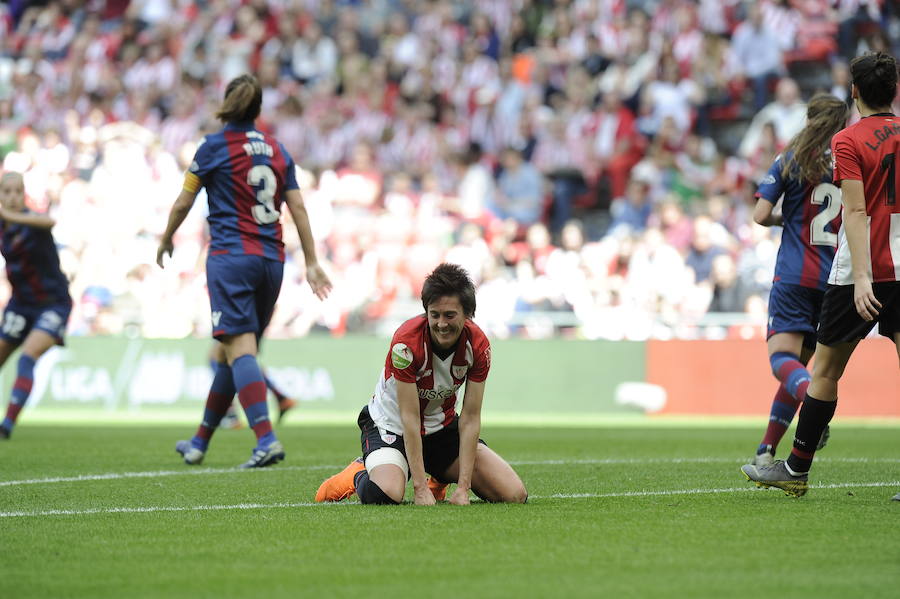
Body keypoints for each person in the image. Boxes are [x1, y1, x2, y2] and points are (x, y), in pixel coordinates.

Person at [742, 52, 900, 497]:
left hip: (848, 273)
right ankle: (773, 454)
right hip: (893, 264)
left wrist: (864, 276)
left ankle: (795, 467)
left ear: (855, 92)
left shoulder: (840, 144)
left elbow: (853, 210)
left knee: (817, 370)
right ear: (894, 91)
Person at [157, 74, 331, 468]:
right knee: (231, 352)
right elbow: (298, 207)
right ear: (257, 109)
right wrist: (314, 262)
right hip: (272, 261)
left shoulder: (213, 147)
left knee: (238, 349)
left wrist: (167, 237)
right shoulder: (276, 149)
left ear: (226, 105)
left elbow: (184, 202)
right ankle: (199, 441)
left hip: (231, 258)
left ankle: (266, 439)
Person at [315, 263, 527, 505]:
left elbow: (469, 418)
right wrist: (419, 489)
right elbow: (409, 417)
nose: (441, 324)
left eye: (450, 315)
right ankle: (358, 473)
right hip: (392, 426)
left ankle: (439, 476)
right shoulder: (406, 344)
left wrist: (464, 488)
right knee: (385, 494)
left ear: (467, 314)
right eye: (434, 314)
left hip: (442, 427)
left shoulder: (478, 346)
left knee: (514, 494)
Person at [747, 94, 850, 467]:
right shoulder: (847, 164)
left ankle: (813, 404)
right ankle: (765, 450)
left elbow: (760, 214)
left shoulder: (791, 159)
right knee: (799, 365)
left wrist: (785, 220)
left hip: (793, 275)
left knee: (782, 361)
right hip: (831, 281)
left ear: (809, 120)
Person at [0, 172, 73, 439]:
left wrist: (9, 215)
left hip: (53, 303)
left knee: (27, 356)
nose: (12, 197)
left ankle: (6, 425)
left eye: (17, 192)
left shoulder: (32, 221)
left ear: (24, 195)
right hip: (20, 304)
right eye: (6, 192)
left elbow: (49, 220)